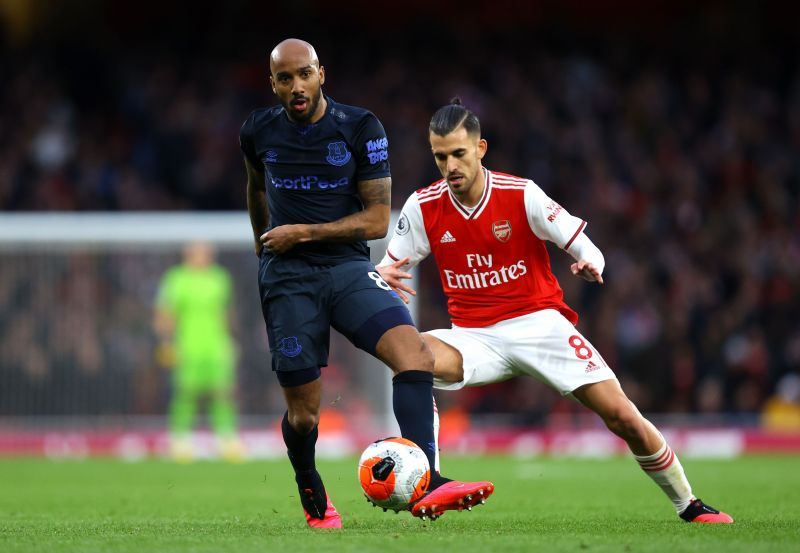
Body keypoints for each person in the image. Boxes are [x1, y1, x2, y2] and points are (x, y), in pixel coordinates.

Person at [377, 98, 734, 524]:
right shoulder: (423, 206)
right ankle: (430, 480)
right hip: (472, 336)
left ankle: (688, 503)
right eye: (440, 157)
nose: (450, 166)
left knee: (622, 416)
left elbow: (583, 244)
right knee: (410, 357)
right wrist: (383, 276)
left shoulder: (520, 194)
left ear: (481, 149)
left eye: (459, 154)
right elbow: (388, 268)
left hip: (539, 326)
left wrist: (591, 263)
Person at [239, 39, 492, 529]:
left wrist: (303, 233)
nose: (296, 86)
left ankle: (429, 481)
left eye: (304, 74)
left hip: (348, 270)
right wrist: (262, 243)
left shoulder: (359, 127)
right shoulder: (257, 131)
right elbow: (255, 186)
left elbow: (377, 220)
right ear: (272, 84)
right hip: (288, 278)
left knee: (413, 354)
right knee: (305, 416)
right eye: (285, 78)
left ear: (321, 74)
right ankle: (310, 485)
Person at [154, 241, 244, 463]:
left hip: (216, 346)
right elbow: (165, 314)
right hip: (187, 346)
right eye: (199, 252)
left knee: (223, 393)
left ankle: (226, 439)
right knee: (186, 393)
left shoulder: (220, 278)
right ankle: (180, 439)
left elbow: (226, 312)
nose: (203, 256)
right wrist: (166, 342)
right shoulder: (176, 279)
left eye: (207, 252)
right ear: (188, 254)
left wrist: (231, 341)